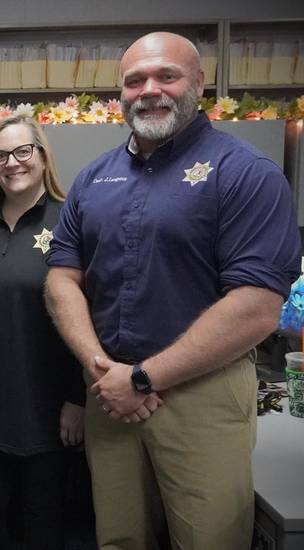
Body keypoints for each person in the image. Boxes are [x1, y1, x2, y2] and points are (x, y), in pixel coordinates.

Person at [45, 32, 301, 550]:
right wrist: (104, 369)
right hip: (109, 390)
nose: (149, 90)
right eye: (134, 80)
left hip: (201, 391)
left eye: (166, 75)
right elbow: (60, 280)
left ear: (199, 84)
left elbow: (256, 307)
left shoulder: (247, 174)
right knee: (119, 537)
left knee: (209, 539)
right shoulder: (95, 179)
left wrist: (143, 378)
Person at [0, 114, 86, 550]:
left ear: (43, 157)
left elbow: (89, 316)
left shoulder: (70, 223)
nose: (12, 163)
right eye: (0, 155)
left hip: (47, 411)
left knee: (43, 527)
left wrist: (79, 398)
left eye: (23, 151)